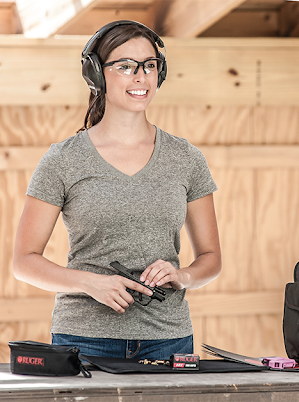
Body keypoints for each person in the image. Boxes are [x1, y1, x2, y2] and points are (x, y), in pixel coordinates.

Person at [12, 20, 221, 360]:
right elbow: (24, 262)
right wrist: (89, 283)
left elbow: (211, 259)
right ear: (96, 74)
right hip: (84, 339)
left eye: (149, 66)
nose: (141, 77)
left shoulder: (186, 158)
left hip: (169, 340)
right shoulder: (63, 160)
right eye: (125, 66)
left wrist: (182, 275)